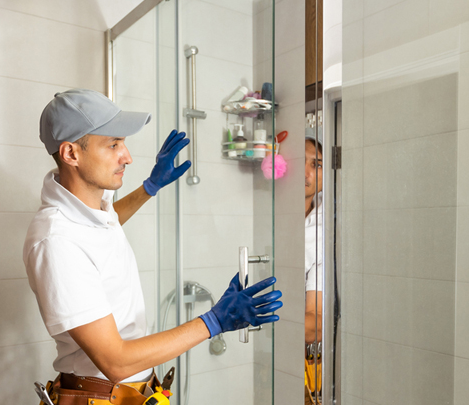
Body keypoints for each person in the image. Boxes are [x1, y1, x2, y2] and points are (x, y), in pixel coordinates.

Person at [23, 89, 283, 405]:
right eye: (113, 144)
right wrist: (212, 322)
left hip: (131, 395)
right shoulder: (57, 242)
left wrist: (149, 188)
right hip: (99, 398)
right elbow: (114, 362)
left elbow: (103, 227)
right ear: (71, 154)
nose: (127, 156)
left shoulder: (88, 212)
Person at [304, 133, 324, 405]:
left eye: (316, 164)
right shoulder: (258, 210)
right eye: (303, 161)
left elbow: (316, 322)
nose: (307, 172)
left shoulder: (321, 231)